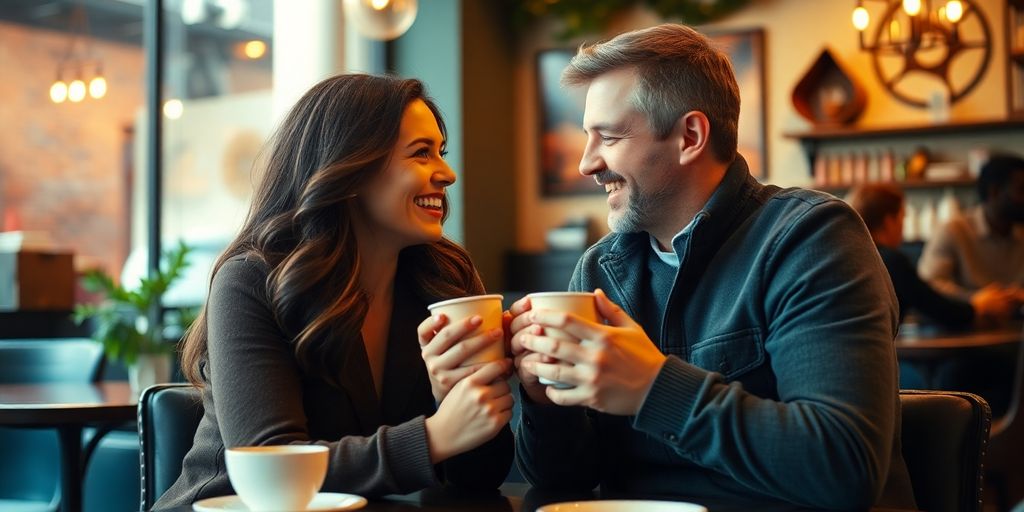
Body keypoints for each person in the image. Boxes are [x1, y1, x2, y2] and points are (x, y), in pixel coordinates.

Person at [507, 24, 916, 510]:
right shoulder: (600, 269)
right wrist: (543, 402)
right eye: (586, 138)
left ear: (690, 137)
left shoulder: (811, 238)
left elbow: (844, 468)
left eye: (609, 137)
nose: (586, 164)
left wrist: (652, 387)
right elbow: (563, 479)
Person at [156, 74, 514, 508]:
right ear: (350, 166)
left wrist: (452, 399)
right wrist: (435, 435)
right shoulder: (250, 281)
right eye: (421, 153)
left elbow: (481, 478)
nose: (448, 173)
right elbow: (274, 469)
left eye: (441, 152)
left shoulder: (445, 279)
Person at [847, 183, 1017, 329]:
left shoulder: (853, 256)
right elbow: (935, 307)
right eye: (902, 218)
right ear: (889, 221)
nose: (903, 227)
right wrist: (977, 306)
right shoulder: (890, 260)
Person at [918, 153, 1024, 300]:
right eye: (1021, 190)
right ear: (994, 192)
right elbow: (929, 286)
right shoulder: (953, 230)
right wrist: (976, 300)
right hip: (966, 321)